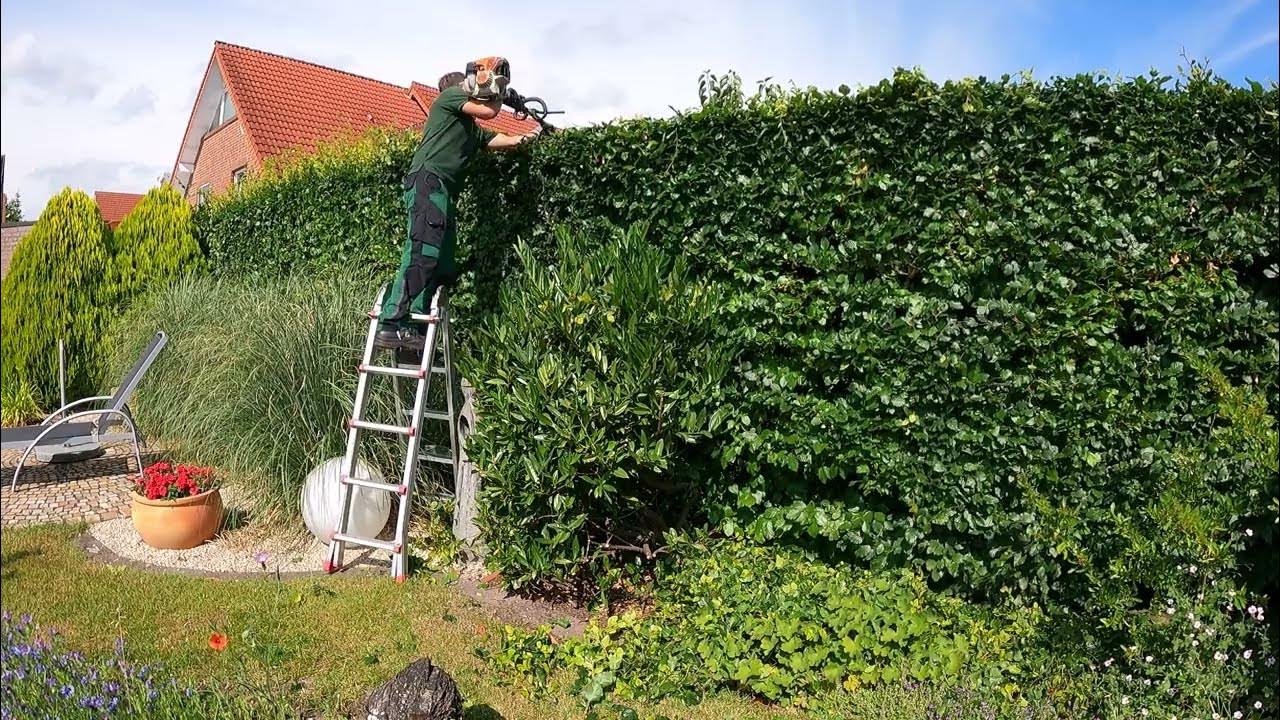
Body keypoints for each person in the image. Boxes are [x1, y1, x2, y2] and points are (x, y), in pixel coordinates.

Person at [376, 57, 539, 349]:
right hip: (429, 182)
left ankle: (416, 328)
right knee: (423, 251)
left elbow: (495, 138)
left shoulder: (468, 128)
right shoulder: (448, 98)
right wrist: (501, 88)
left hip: (444, 192)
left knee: (442, 263)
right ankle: (392, 322)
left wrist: (528, 136)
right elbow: (489, 111)